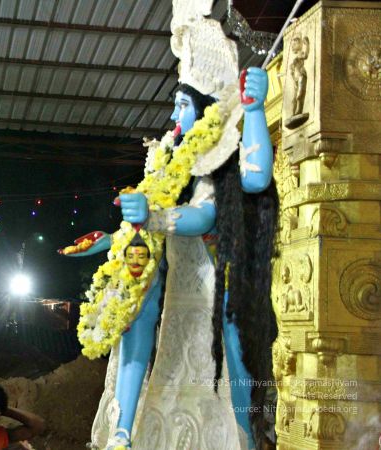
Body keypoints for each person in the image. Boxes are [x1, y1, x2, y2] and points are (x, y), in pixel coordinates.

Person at [66, 7, 278, 448]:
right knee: (134, 297)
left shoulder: (218, 162)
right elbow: (150, 232)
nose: (174, 119)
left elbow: (206, 214)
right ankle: (122, 429)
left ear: (204, 112)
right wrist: (111, 241)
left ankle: (247, 436)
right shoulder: (166, 165)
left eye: (182, 106)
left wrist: (255, 109)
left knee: (236, 348)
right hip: (176, 294)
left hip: (217, 287)